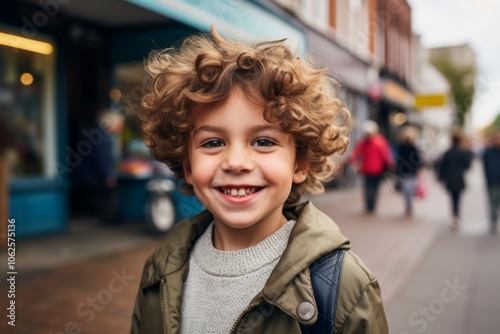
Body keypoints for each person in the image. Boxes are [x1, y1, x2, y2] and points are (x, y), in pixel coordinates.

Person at [130, 27, 388, 333]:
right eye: (212, 143)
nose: (236, 163)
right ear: (187, 165)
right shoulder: (160, 270)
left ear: (300, 163)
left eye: (264, 142)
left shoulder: (344, 287)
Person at [71, 110, 124, 223]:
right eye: (118, 125)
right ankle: (108, 218)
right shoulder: (102, 136)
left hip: (83, 173)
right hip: (90, 176)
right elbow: (102, 157)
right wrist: (107, 176)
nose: (119, 129)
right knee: (111, 189)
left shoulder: (95, 131)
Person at [350, 120, 394, 214]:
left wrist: (353, 161)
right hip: (377, 169)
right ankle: (371, 206)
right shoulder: (380, 141)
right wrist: (390, 164)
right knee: (374, 188)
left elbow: (356, 153)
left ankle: (369, 205)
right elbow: (386, 155)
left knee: (368, 187)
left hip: (367, 168)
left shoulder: (364, 141)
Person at [438, 131, 473, 230]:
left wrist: (441, 178)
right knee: (458, 199)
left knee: (452, 198)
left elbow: (442, 167)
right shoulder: (463, 152)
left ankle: (454, 216)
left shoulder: (448, 152)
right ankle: (456, 216)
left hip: (449, 179)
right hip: (459, 179)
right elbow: (468, 165)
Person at [395, 126, 422, 217]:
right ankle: (409, 204)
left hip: (403, 172)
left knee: (406, 190)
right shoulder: (414, 148)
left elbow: (398, 160)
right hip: (411, 172)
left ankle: (408, 204)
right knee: (409, 190)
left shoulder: (401, 147)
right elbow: (418, 161)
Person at [483, 130, 500, 234]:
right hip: (493, 181)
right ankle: (493, 221)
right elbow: (485, 167)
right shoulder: (488, 152)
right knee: (493, 203)